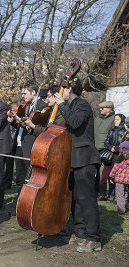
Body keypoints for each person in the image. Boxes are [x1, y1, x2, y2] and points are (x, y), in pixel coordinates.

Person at [54, 77, 102, 253]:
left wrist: (62, 106)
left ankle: (94, 238)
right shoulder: (70, 107)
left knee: (87, 199)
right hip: (73, 159)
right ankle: (79, 232)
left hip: (85, 157)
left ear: (70, 89)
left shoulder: (82, 104)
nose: (61, 93)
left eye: (63, 89)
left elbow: (75, 122)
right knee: (76, 198)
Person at [8, 81, 47, 195]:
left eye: (25, 93)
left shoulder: (42, 107)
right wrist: (15, 120)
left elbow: (38, 129)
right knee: (19, 178)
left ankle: (29, 204)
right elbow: (22, 125)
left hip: (31, 146)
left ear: (34, 92)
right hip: (20, 145)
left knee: (30, 178)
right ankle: (20, 205)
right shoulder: (26, 106)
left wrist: (23, 122)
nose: (23, 96)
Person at [99, 114, 127, 201]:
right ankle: (103, 194)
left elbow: (126, 146)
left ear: (122, 121)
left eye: (117, 119)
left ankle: (115, 196)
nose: (115, 121)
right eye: (115, 119)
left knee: (116, 178)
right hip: (109, 157)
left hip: (119, 158)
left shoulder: (126, 133)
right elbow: (106, 142)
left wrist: (117, 149)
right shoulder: (111, 131)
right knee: (104, 177)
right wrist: (110, 147)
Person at [94, 100, 115, 197]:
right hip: (95, 148)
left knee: (108, 172)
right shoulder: (97, 118)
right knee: (95, 172)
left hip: (106, 149)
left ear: (109, 109)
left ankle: (111, 194)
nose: (100, 110)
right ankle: (98, 191)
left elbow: (114, 134)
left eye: (102, 108)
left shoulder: (114, 119)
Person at [109, 141, 129, 214]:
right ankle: (124, 205)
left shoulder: (121, 157)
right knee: (125, 192)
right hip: (127, 179)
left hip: (119, 179)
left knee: (120, 194)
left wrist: (111, 176)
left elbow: (115, 168)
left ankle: (121, 210)